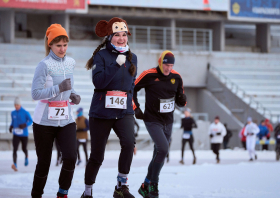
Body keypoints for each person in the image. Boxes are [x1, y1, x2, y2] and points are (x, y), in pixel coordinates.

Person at [81, 17, 137, 198]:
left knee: (129, 144)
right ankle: (87, 191)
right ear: (109, 37)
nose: (121, 39)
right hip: (102, 111)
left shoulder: (132, 57)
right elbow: (98, 81)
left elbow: (131, 84)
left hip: (124, 111)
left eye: (124, 35)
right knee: (97, 155)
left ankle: (121, 186)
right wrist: (116, 64)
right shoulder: (101, 55)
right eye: (117, 35)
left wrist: (134, 104)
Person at [31, 24, 81, 198]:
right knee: (44, 162)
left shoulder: (71, 62)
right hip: (44, 121)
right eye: (58, 45)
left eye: (65, 45)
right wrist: (58, 89)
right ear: (50, 44)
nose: (62, 49)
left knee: (70, 157)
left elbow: (69, 88)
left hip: (66, 119)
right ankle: (36, 194)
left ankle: (62, 193)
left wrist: (73, 95)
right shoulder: (43, 65)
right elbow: (35, 94)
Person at [133, 50, 187, 198]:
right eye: (166, 64)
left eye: (171, 65)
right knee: (163, 149)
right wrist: (135, 108)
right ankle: (154, 186)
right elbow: (132, 89)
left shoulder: (176, 77)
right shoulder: (149, 74)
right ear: (160, 62)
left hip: (168, 121)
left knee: (159, 153)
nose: (168, 68)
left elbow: (181, 99)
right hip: (152, 120)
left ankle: (145, 185)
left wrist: (182, 100)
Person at [9, 97, 33, 171]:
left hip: (24, 134)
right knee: (14, 149)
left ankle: (26, 156)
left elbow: (31, 121)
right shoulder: (13, 113)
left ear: (20, 104)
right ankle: (15, 164)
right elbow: (13, 121)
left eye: (17, 105)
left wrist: (25, 125)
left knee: (23, 148)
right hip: (16, 134)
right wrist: (11, 126)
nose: (16, 106)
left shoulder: (25, 112)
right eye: (15, 105)